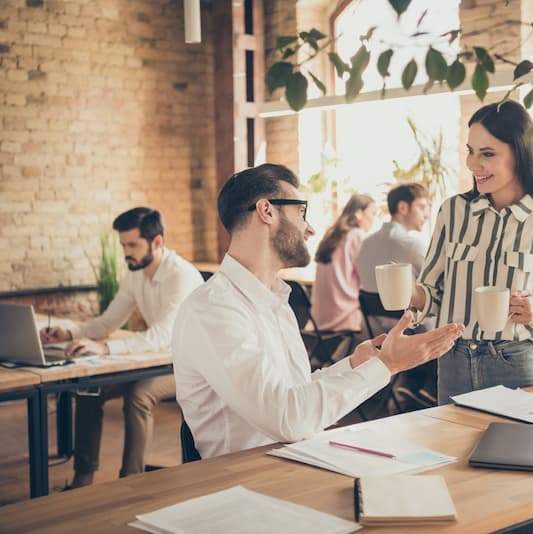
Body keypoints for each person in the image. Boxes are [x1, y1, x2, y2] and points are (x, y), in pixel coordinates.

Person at [171, 163, 464, 458]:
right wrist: (387, 365)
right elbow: (288, 419)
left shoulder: (273, 300)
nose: (309, 228)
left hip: (293, 463)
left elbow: (291, 393)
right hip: (246, 482)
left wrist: (352, 366)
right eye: (301, 212)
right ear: (267, 211)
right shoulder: (214, 310)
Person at [410, 100, 533, 404]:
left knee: (523, 453)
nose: (472, 164)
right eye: (470, 151)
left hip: (518, 366)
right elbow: (433, 292)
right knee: (455, 453)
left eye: (488, 154)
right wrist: (408, 293)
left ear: (520, 153)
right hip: (453, 362)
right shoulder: (453, 212)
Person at [40, 207, 203, 487]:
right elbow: (108, 321)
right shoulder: (136, 274)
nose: (126, 252)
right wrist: (68, 333)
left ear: (157, 243)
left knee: (140, 394)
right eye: (123, 245)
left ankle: (130, 483)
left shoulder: (181, 276)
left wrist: (104, 349)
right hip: (158, 360)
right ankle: (83, 477)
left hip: (195, 365)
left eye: (132, 245)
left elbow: (162, 336)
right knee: (90, 388)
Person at [356, 182, 436, 407]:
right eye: (421, 207)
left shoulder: (366, 243)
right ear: (403, 207)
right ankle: (424, 388)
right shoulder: (412, 245)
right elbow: (438, 285)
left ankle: (408, 386)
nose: (426, 214)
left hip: (371, 329)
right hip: (406, 329)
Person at [310, 193, 377, 333]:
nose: (374, 219)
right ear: (359, 213)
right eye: (373, 213)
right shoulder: (358, 236)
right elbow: (369, 279)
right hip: (344, 318)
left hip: (319, 320)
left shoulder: (331, 235)